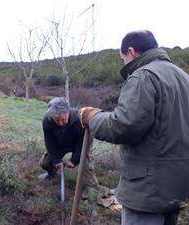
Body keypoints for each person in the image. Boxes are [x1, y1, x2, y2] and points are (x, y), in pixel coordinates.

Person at [80, 30, 189, 225]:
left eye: (123, 59)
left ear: (131, 52)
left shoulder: (144, 76)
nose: (124, 64)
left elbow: (123, 126)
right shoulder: (183, 78)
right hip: (178, 187)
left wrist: (93, 117)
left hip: (147, 191)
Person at [39, 97, 98, 188]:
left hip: (80, 145)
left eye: (63, 119)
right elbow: (49, 143)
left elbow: (84, 142)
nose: (60, 123)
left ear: (68, 112)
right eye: (57, 120)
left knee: (86, 167)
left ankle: (91, 188)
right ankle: (51, 175)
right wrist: (56, 160)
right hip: (60, 144)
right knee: (45, 163)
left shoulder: (80, 119)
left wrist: (74, 160)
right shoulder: (47, 121)